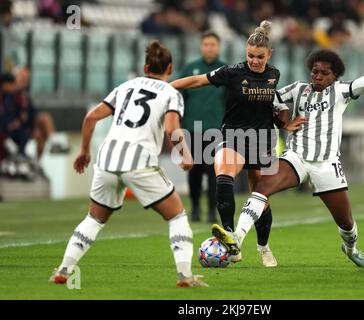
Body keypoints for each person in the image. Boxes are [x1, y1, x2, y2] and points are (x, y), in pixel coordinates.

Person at [218, 28, 364, 268]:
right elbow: (270, 98)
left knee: (346, 225)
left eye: (324, 73)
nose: (318, 76)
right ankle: (236, 239)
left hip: (326, 164)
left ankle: (351, 248)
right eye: (315, 71)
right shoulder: (298, 89)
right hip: (296, 158)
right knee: (262, 187)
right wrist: (283, 120)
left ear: (335, 76)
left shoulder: (342, 91)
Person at [49, 41, 207, 287]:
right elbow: (171, 128)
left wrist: (83, 151)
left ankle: (63, 270)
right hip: (139, 161)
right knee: (177, 216)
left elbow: (91, 117)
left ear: (145, 67)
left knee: (94, 218)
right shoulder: (171, 93)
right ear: (171, 68)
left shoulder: (125, 86)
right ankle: (185, 275)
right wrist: (184, 152)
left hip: (107, 159)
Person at [171, 21, 306, 267]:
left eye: (260, 57)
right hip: (232, 135)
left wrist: (285, 123)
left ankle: (263, 246)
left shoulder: (274, 74)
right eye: (250, 56)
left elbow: (272, 108)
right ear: (245, 53)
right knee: (223, 175)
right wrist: (165, 88)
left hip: (262, 139)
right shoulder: (232, 72)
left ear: (269, 55)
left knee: (260, 196)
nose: (254, 61)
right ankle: (230, 237)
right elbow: (197, 81)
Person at [180, 30, 226, 223]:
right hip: (192, 129)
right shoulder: (190, 68)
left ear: (218, 46)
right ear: (201, 46)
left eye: (213, 44)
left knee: (215, 173)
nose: (209, 48)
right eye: (206, 44)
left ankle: (211, 212)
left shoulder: (226, 70)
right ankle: (196, 208)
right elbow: (179, 97)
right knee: (194, 173)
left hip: (216, 130)